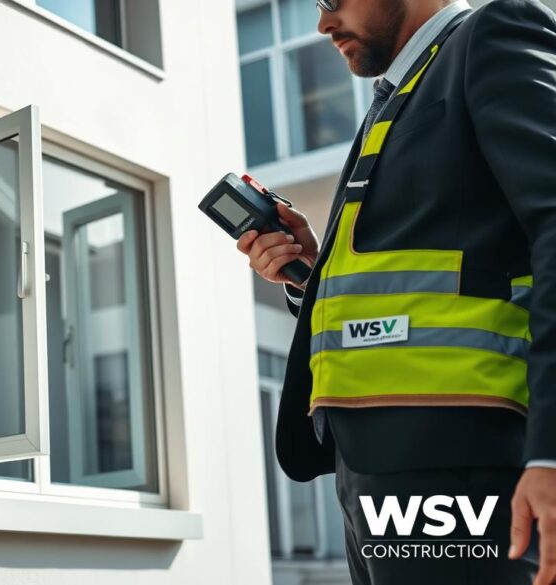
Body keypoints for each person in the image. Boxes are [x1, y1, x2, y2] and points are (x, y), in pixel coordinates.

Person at [236, 0, 556, 583]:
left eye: (332, 0)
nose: (322, 24)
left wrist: (551, 452)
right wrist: (311, 273)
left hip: (466, 465)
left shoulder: (491, 34)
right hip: (371, 474)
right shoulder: (401, 92)